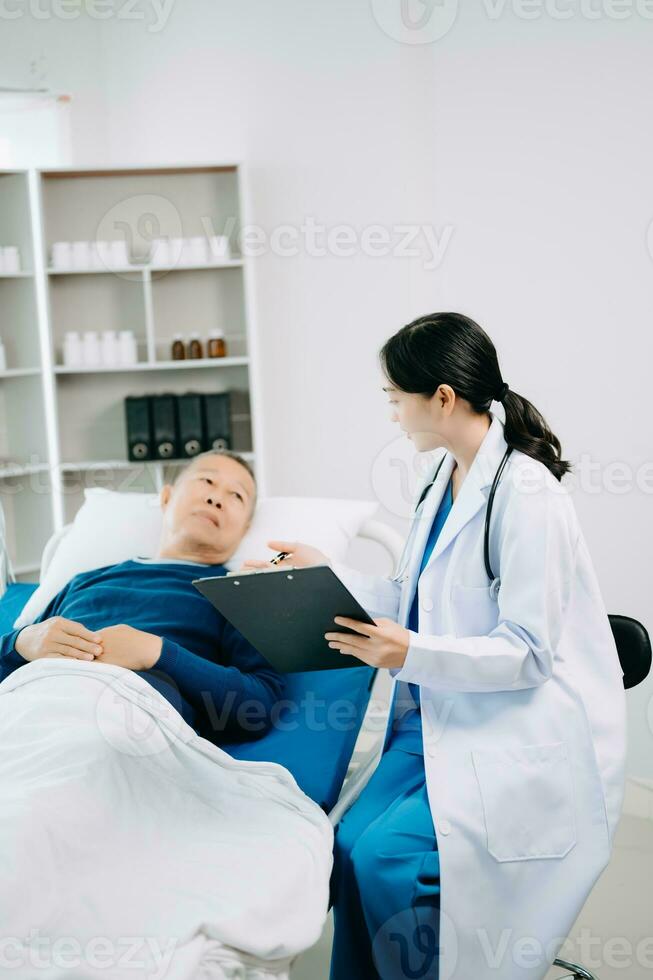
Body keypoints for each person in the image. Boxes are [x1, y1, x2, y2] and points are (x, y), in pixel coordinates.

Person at [242, 312, 627, 980]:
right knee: (342, 847)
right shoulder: (444, 479)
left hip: (509, 734)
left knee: (386, 859)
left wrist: (408, 655)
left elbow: (529, 653)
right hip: (436, 724)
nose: (391, 415)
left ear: (441, 397)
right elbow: (413, 594)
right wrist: (321, 574)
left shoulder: (524, 493)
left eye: (395, 398)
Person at [0, 449, 284, 744]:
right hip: (29, 705)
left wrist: (157, 653)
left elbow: (258, 707)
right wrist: (21, 643)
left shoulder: (239, 591)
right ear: (165, 498)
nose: (216, 498)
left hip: (126, 723)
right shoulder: (86, 580)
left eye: (236, 496)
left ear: (245, 529)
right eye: (206, 481)